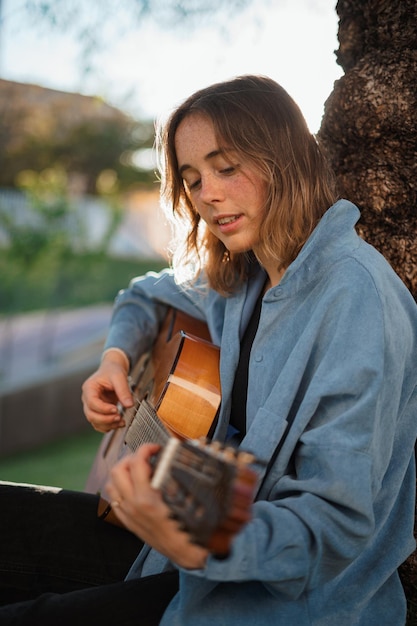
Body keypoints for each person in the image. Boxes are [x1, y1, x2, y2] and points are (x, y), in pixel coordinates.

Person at [0, 74, 416, 625]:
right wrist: (115, 358)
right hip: (174, 555)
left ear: (284, 160)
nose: (208, 195)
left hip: (277, 602)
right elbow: (144, 293)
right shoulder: (243, 276)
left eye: (226, 168)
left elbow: (335, 524)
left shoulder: (356, 299)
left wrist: (200, 538)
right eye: (193, 179)